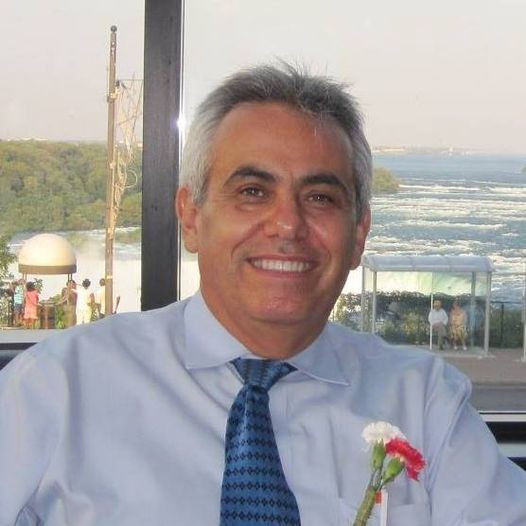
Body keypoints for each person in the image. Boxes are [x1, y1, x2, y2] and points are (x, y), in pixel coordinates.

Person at [0, 64, 524, 525]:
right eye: (252, 192)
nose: (287, 224)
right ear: (191, 217)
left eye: (320, 197)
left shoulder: (425, 402)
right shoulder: (58, 388)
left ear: (358, 235)